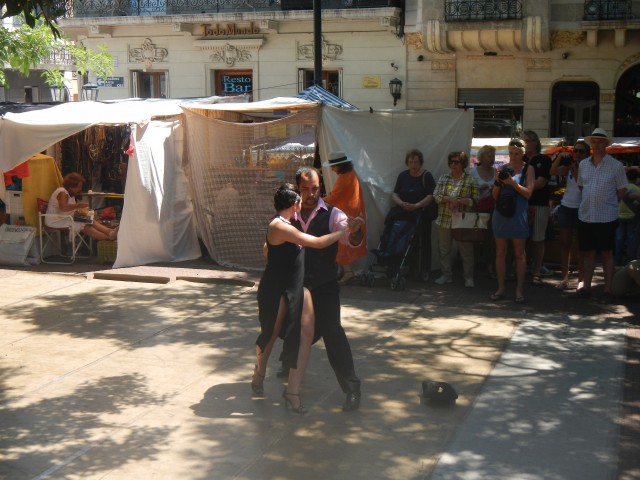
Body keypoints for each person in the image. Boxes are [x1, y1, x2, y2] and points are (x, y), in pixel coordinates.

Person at [253, 184, 348, 414]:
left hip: (297, 287)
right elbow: (315, 243)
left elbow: (269, 249)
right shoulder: (279, 224)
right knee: (271, 333)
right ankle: (259, 371)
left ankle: (292, 391)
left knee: (305, 333)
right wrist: (341, 233)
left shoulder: (290, 223)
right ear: (294, 204)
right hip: (277, 288)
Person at [291, 166, 365, 412]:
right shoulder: (290, 214)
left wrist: (354, 231)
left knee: (332, 332)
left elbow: (350, 237)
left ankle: (352, 389)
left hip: (324, 286)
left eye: (314, 189)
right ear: (297, 189)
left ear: (320, 187)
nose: (310, 194)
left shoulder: (333, 214)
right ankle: (287, 368)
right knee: (292, 331)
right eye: (304, 189)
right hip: (297, 286)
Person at [574, 127, 628, 304]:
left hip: (606, 216)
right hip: (587, 215)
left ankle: (608, 290)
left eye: (600, 141)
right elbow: (582, 187)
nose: (597, 144)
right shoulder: (583, 165)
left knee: (606, 253)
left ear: (606, 144)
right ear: (591, 144)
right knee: (588, 253)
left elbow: (621, 191)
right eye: (594, 141)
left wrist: (607, 202)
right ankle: (587, 287)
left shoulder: (616, 166)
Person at [490, 139, 536, 303]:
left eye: (517, 154)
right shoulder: (503, 169)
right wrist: (499, 182)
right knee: (500, 253)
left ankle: (519, 289)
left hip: (518, 215)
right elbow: (494, 196)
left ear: (523, 153)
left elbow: (529, 193)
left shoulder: (528, 169)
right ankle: (501, 288)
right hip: (501, 214)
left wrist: (512, 183)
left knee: (519, 255)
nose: (513, 157)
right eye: (510, 153)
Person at [390, 148, 436, 282]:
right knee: (409, 241)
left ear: (420, 162)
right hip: (406, 213)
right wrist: (401, 203)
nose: (413, 164)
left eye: (416, 162)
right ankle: (411, 268)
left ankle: (425, 270)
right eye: (410, 162)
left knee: (425, 242)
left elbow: (431, 196)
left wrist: (416, 205)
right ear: (407, 163)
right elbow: (395, 193)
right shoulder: (403, 175)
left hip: (422, 214)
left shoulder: (426, 176)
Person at [433, 151, 478, 287]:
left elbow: (476, 200)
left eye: (456, 162)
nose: (453, 165)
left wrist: (462, 201)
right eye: (451, 162)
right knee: (444, 249)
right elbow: (436, 196)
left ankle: (468, 277)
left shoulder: (470, 179)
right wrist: (448, 199)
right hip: (444, 219)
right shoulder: (443, 178)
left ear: (463, 164)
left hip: (463, 221)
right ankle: (446, 275)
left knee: (466, 250)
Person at [549, 141, 589, 290]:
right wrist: (559, 157)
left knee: (581, 246)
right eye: (575, 151)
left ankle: (581, 280)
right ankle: (564, 278)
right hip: (566, 207)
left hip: (581, 209)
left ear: (587, 154)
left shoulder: (589, 167)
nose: (578, 154)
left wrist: (574, 170)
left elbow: (582, 187)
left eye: (581, 152)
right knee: (565, 244)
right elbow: (552, 172)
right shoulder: (569, 167)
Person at [322, 152, 367, 282]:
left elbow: (333, 198)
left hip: (346, 216)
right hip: (350, 214)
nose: (332, 169)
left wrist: (318, 201)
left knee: (342, 244)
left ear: (339, 166)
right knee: (344, 244)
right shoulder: (351, 174)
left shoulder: (345, 178)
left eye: (333, 166)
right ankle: (347, 272)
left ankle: (348, 273)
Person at [45, 172, 118, 241]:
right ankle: (108, 237)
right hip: (55, 220)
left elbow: (68, 209)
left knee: (88, 217)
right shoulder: (62, 192)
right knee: (84, 225)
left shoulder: (69, 194)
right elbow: (63, 207)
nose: (80, 189)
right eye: (79, 187)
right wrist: (78, 205)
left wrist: (80, 211)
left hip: (63, 217)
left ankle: (109, 232)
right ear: (71, 186)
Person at [522, 130, 552, 286]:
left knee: (538, 239)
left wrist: (522, 188)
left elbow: (541, 183)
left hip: (539, 204)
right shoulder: (521, 160)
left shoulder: (544, 160)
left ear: (535, 142)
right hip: (522, 205)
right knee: (521, 238)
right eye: (523, 141)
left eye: (527, 141)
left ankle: (537, 271)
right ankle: (523, 268)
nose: (525, 144)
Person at [470, 145, 497, 279]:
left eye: (493, 155)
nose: (492, 158)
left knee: (491, 239)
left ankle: (490, 266)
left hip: (492, 209)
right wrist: (478, 189)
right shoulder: (472, 173)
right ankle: (473, 266)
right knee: (475, 238)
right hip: (476, 209)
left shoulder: (496, 172)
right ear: (481, 157)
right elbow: (468, 191)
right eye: (489, 155)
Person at [615, 169, 640, 266]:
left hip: (620, 215)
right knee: (631, 239)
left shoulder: (622, 188)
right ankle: (630, 261)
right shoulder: (637, 189)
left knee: (619, 238)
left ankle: (617, 260)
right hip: (633, 216)